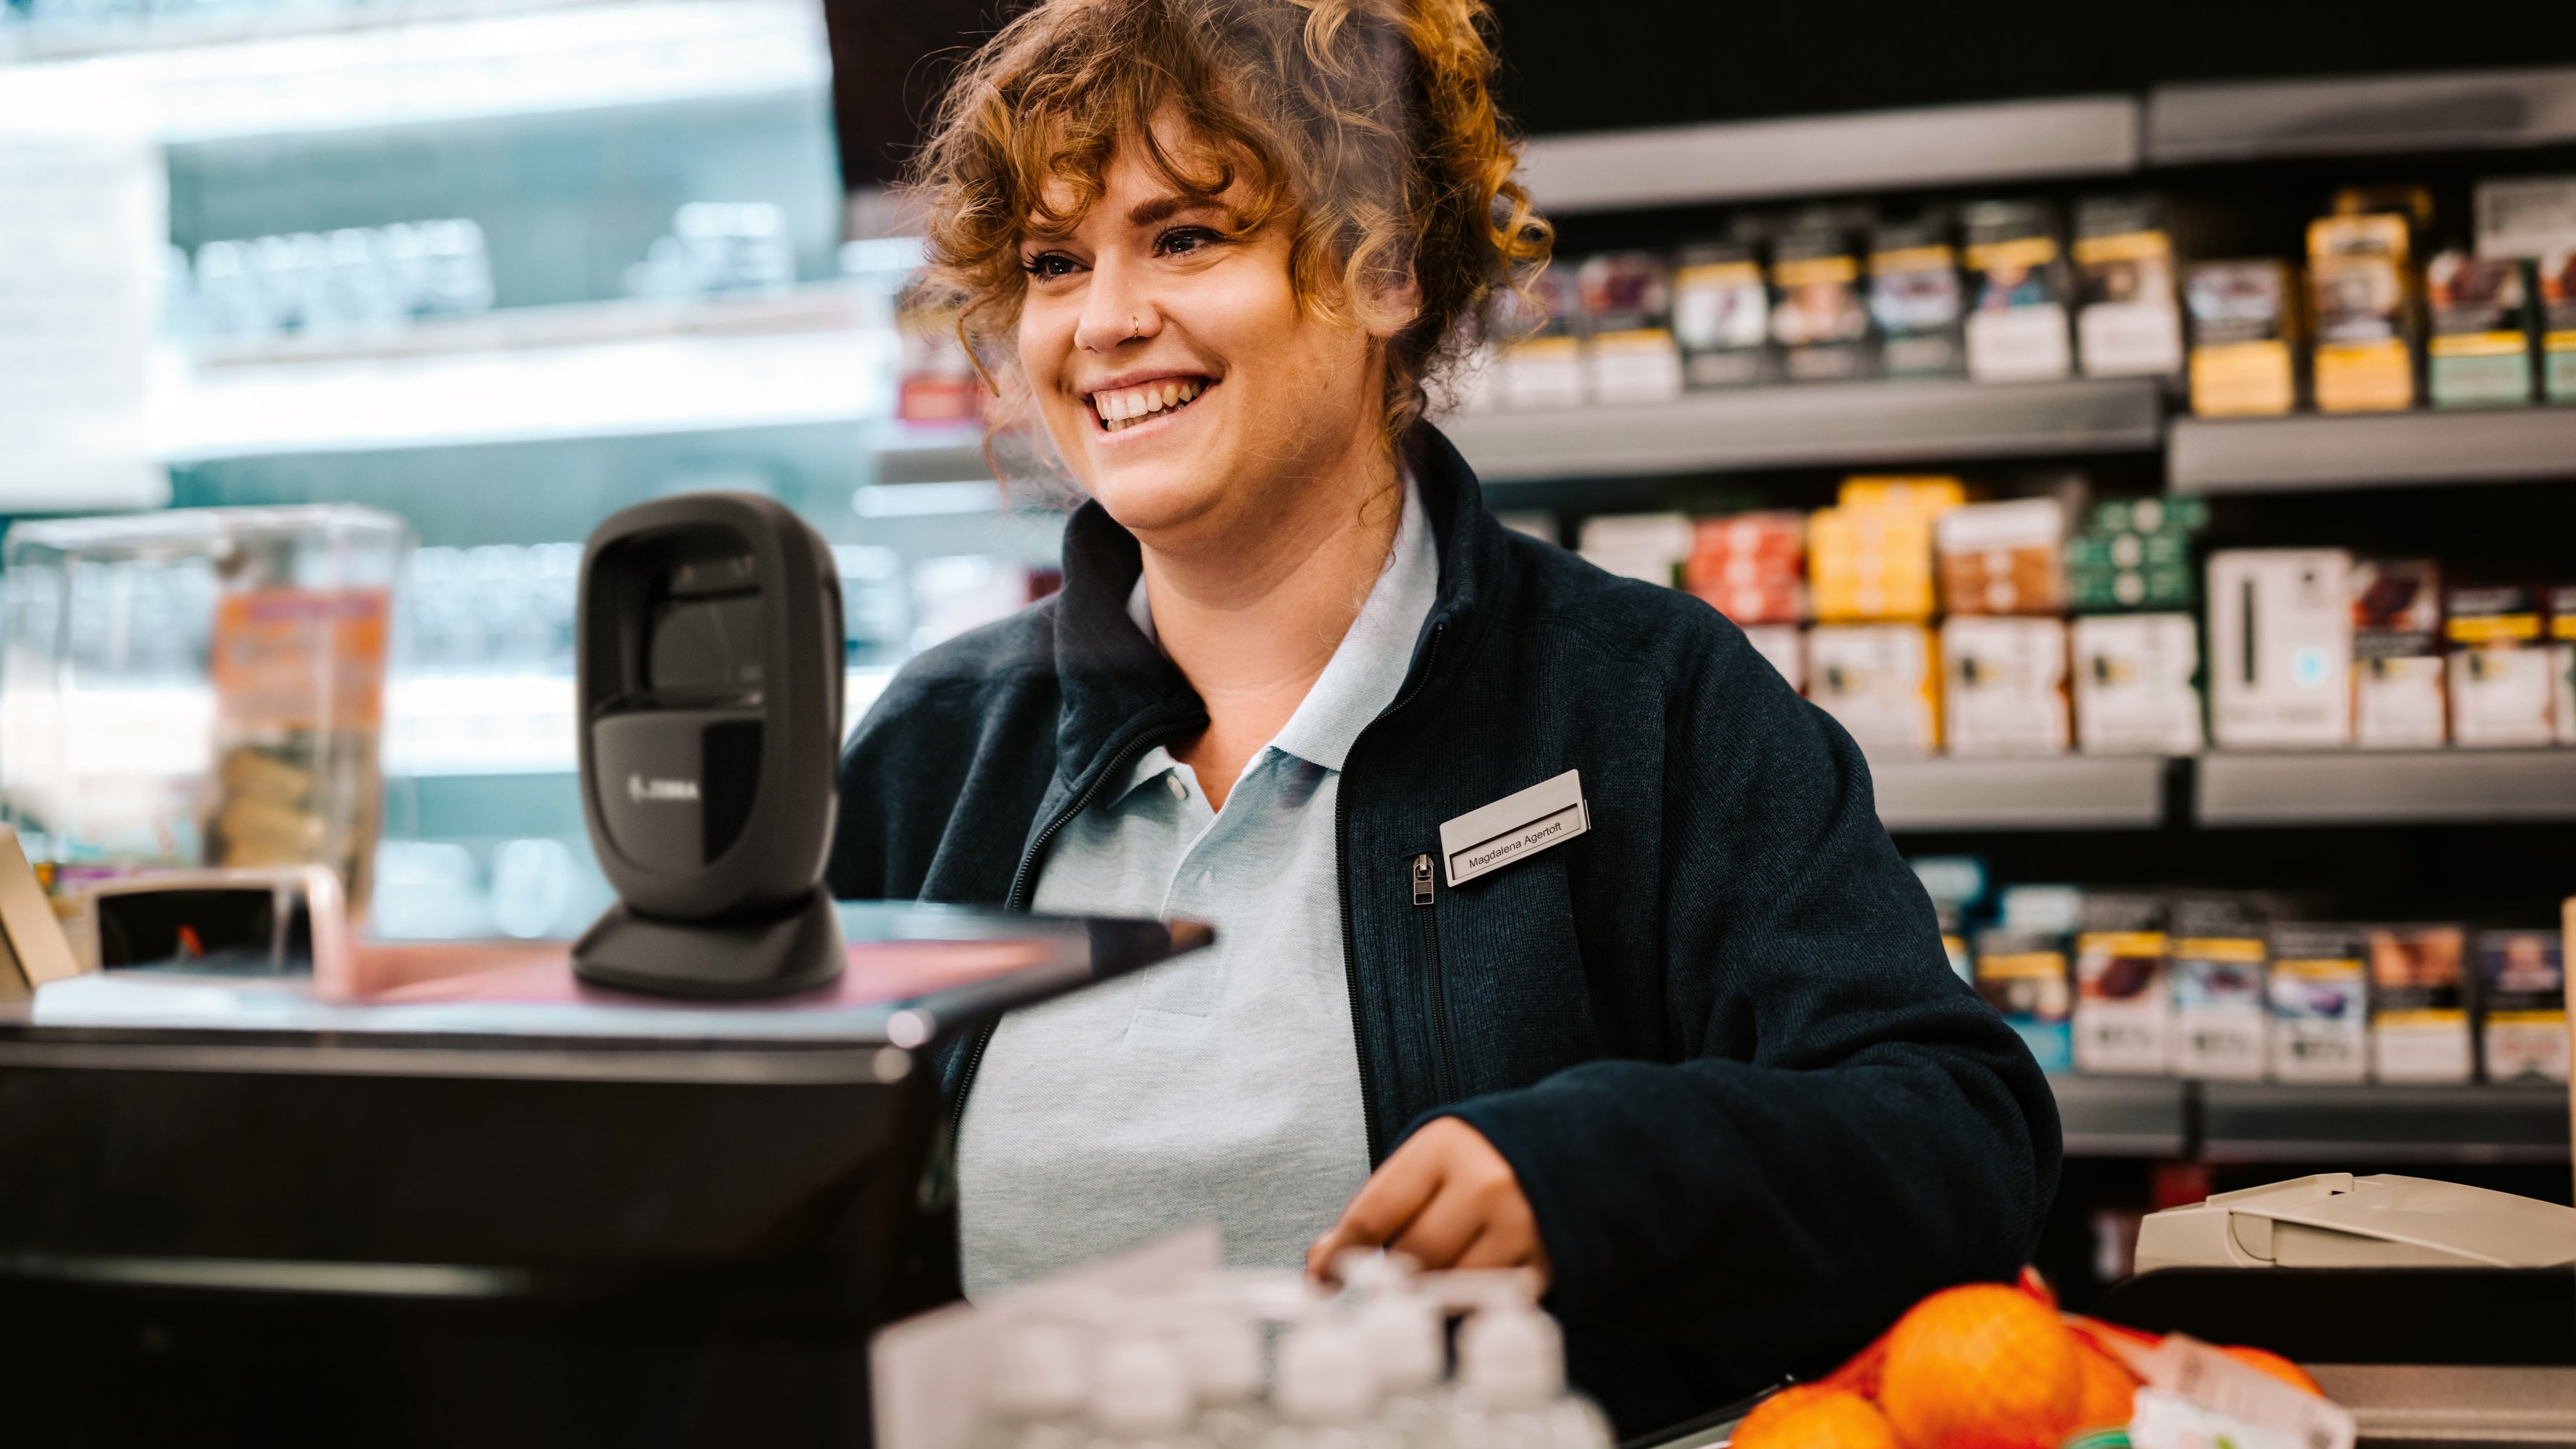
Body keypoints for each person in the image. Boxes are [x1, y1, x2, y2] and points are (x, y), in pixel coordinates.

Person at [825, 0, 2060, 1432]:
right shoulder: (935, 751)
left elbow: (1960, 1132)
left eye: (1185, 236)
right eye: (1052, 262)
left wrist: (1599, 1165)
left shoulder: (1634, 695)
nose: (1104, 321)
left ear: (1385, 270)